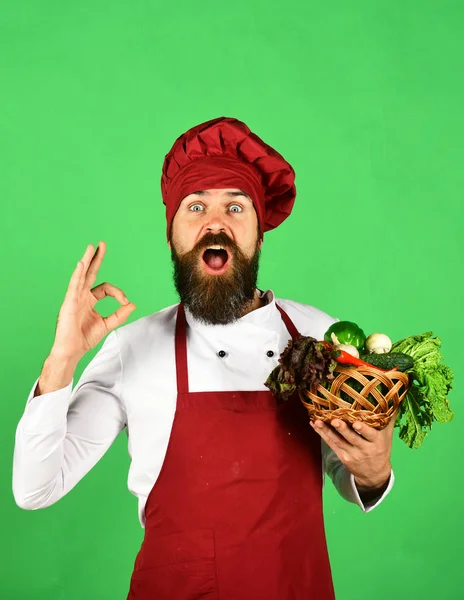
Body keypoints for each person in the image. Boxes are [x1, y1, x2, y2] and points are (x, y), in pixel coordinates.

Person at [13, 117, 395, 599]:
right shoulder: (134, 348)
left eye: (236, 206)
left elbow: (348, 468)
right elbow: (35, 489)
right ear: (172, 235)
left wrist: (373, 471)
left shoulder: (320, 335)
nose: (216, 223)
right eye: (196, 207)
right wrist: (61, 359)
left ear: (259, 233)